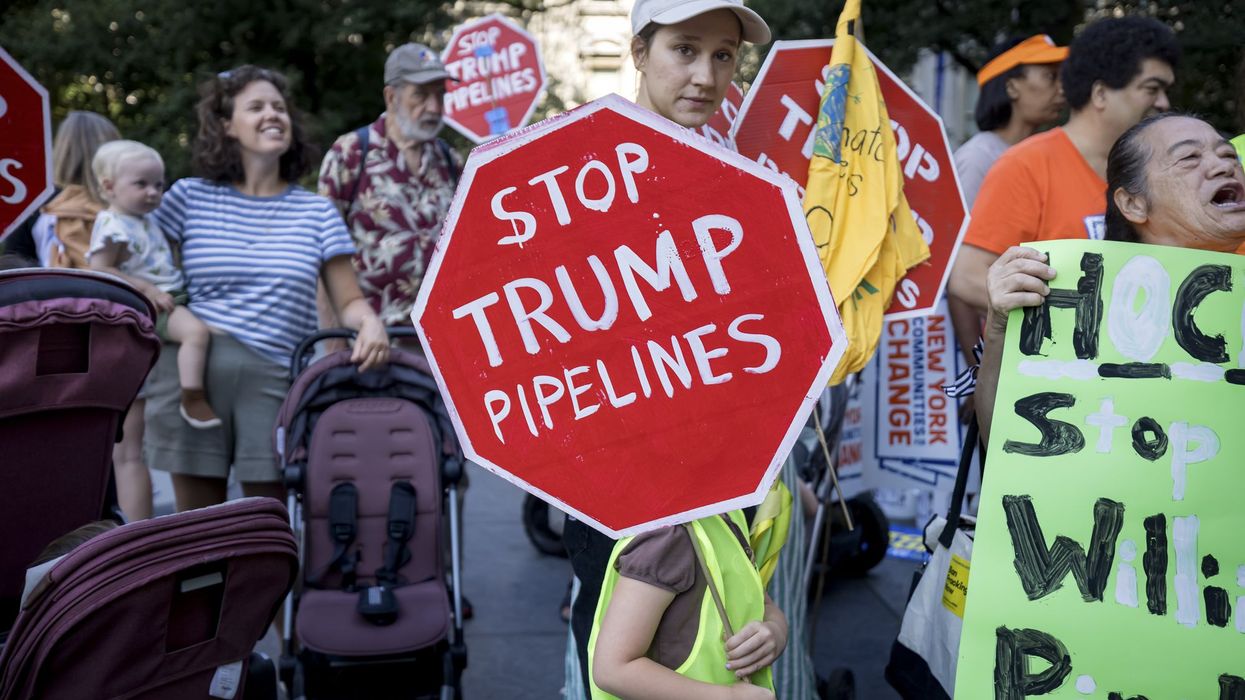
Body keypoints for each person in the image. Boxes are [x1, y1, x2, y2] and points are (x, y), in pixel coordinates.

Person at [571, 3, 787, 699]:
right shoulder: (571, 172)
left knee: (716, 635)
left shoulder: (734, 176)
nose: (704, 75)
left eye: (723, 56)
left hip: (715, 475)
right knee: (611, 658)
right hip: (613, 482)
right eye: (684, 50)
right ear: (638, 51)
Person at [146, 66, 389, 512]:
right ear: (225, 125)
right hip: (193, 378)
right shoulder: (187, 197)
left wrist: (370, 322)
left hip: (276, 378)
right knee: (197, 535)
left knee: (268, 528)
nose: (272, 115)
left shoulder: (315, 213)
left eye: (279, 107)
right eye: (255, 107)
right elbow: (135, 255)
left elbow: (349, 300)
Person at [974, 113, 1245, 446]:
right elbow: (1005, 442)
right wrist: (1000, 331)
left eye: (1229, 155)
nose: (1224, 166)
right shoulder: (1071, 301)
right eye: (1190, 157)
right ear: (1133, 203)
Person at [947, 17, 1180, 376]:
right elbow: (967, 277)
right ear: (1101, 94)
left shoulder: (1163, 172)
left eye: (1166, 89)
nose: (1163, 102)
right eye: (1151, 88)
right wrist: (1088, 321)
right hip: (1051, 398)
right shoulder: (1026, 165)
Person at [318, 43, 461, 329]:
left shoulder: (449, 161)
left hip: (445, 340)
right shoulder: (350, 154)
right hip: (372, 345)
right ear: (391, 96)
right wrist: (332, 342)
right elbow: (322, 253)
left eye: (440, 95)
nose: (434, 107)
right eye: (420, 95)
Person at [954, 34, 1068, 207]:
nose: (1062, 89)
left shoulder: (1046, 155)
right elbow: (959, 232)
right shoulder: (978, 159)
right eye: (1051, 77)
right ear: (1012, 87)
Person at [19, 112, 121, 268]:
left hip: (53, 289)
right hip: (122, 289)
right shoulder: (127, 198)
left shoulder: (37, 200)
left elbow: (16, 261)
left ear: (61, 148)